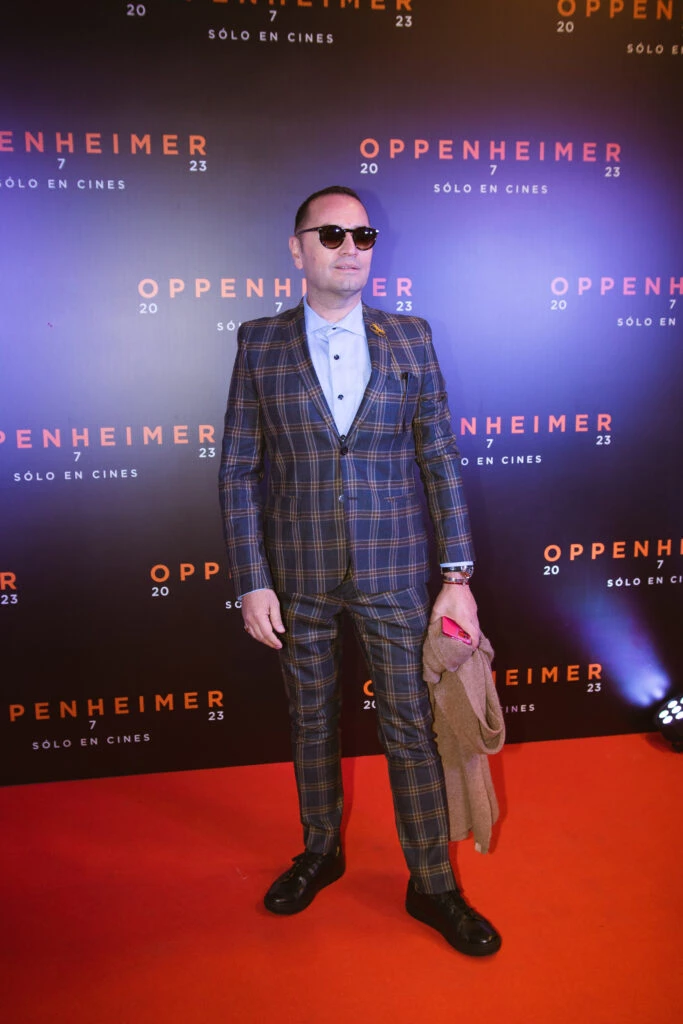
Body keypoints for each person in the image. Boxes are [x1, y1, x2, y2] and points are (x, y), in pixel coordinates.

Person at [219, 185, 501, 956]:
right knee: (310, 720)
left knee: (409, 725)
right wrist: (251, 578)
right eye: (332, 234)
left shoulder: (410, 336)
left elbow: (438, 456)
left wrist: (456, 576)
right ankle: (320, 850)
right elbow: (239, 470)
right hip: (297, 573)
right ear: (297, 248)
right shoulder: (258, 342)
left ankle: (432, 884)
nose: (350, 248)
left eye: (363, 235)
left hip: (394, 569)